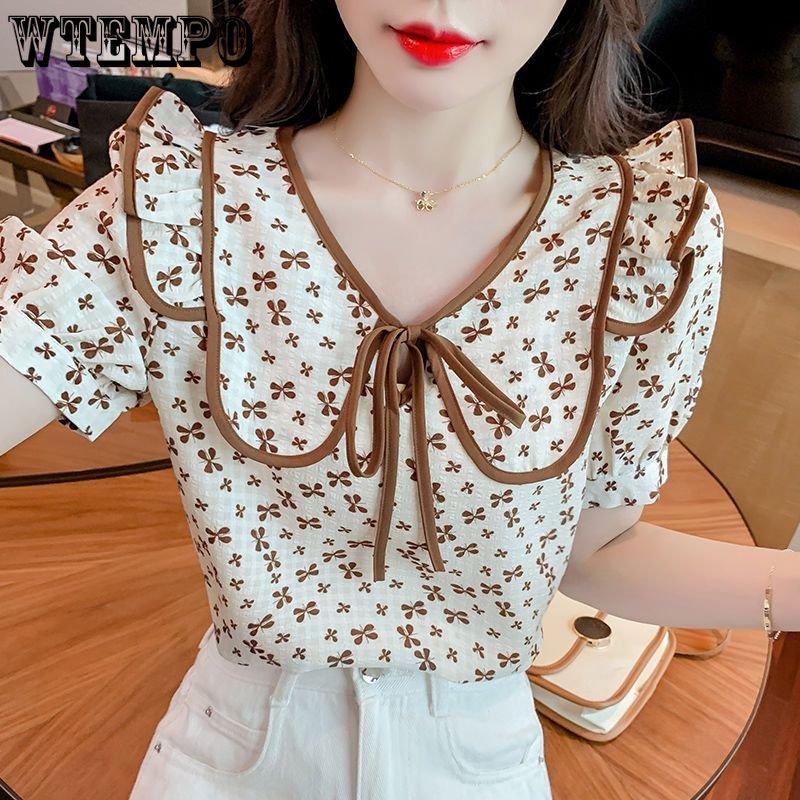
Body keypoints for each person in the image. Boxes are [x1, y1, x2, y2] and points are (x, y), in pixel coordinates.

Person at [0, 1, 798, 798]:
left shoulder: (643, 243)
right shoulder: (176, 206)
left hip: (483, 759)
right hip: (232, 749)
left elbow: (599, 549)